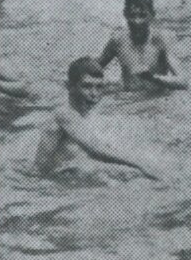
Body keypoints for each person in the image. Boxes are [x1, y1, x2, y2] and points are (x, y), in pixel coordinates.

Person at [36, 58, 167, 180]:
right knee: (133, 173)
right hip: (49, 178)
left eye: (99, 87)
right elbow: (96, 150)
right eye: (86, 86)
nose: (94, 94)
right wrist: (140, 164)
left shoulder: (81, 114)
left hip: (65, 172)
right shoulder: (64, 113)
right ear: (69, 87)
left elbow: (96, 147)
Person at [99, 0, 186, 95]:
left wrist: (153, 78)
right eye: (132, 16)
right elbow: (91, 72)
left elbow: (183, 81)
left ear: (152, 14)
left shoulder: (162, 39)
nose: (137, 22)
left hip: (158, 99)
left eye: (142, 15)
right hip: (128, 100)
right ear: (125, 14)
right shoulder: (117, 40)